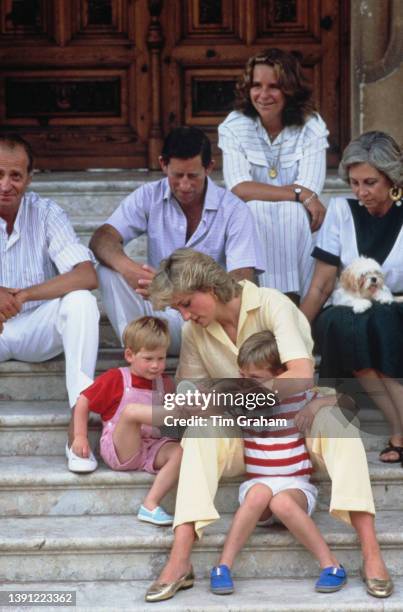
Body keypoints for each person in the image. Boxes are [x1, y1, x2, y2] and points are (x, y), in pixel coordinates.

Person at [144, 248, 392, 602]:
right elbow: (193, 394)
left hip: (299, 422)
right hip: (244, 435)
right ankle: (180, 560)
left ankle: (371, 552)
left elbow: (301, 376)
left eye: (186, 303)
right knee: (200, 432)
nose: (184, 315)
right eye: (178, 309)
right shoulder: (195, 331)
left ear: (209, 288)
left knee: (340, 423)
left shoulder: (271, 303)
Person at [90, 126, 264, 354]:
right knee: (107, 270)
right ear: (163, 165)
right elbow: (101, 239)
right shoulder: (148, 196)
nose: (184, 185)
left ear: (209, 168)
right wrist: (130, 270)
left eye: (193, 176)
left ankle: (145, 354)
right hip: (159, 318)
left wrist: (180, 293)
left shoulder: (234, 210)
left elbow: (241, 283)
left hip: (206, 323)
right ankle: (142, 354)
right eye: (177, 175)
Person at [210, 331, 346, 595]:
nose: (246, 383)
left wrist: (315, 407)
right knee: (261, 493)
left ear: (281, 375)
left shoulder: (300, 398)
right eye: (242, 375)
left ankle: (331, 565)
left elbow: (345, 400)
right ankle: (222, 566)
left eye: (255, 378)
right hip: (258, 486)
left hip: (295, 487)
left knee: (281, 501)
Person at [300, 131, 403, 467]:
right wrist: (297, 333)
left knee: (382, 319)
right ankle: (400, 429)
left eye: (370, 182)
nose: (361, 192)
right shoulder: (342, 211)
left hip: (394, 309)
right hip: (348, 308)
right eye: (355, 182)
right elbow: (321, 285)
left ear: (392, 178)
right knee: (347, 323)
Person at [0, 133, 99, 474]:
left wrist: (25, 294)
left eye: (15, 175)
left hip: (35, 328)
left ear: (29, 177)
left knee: (82, 302)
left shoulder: (46, 213)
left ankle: (78, 430)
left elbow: (87, 275)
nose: (6, 184)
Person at [218, 48, 329, 301]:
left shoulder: (311, 126)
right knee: (256, 210)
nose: (263, 95)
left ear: (290, 89)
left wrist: (302, 194)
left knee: (291, 213)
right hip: (251, 222)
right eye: (256, 85)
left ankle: (290, 301)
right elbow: (238, 188)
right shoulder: (235, 125)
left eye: (274, 87)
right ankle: (264, 302)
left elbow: (311, 186)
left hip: (299, 226)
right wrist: (298, 193)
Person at [71, 316, 182, 525]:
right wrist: (80, 436)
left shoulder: (165, 383)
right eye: (148, 359)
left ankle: (150, 504)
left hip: (152, 447)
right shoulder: (116, 378)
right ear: (130, 355)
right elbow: (83, 401)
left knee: (180, 451)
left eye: (161, 358)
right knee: (131, 412)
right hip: (122, 448)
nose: (156, 365)